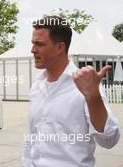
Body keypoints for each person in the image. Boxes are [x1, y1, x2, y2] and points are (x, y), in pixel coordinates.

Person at [22, 16, 120, 167]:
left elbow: (109, 140)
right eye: (33, 43)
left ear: (60, 47)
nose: (33, 49)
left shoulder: (85, 85)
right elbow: (31, 138)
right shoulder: (37, 86)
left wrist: (93, 97)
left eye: (39, 44)